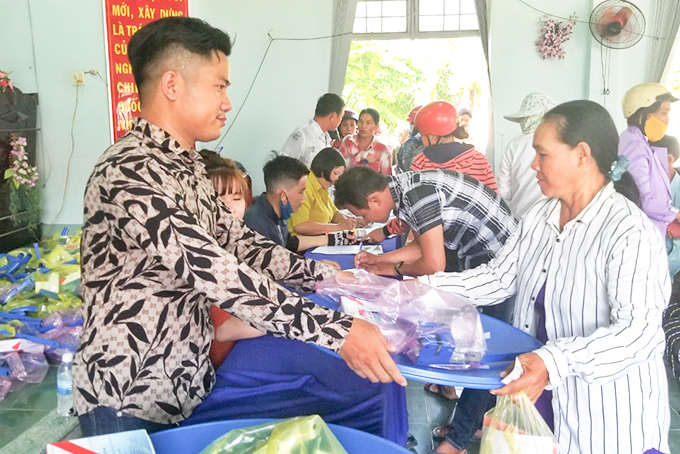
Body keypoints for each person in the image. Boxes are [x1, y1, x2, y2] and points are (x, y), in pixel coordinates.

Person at [74, 16, 405, 437]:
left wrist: (324, 276)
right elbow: (212, 269)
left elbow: (240, 242)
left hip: (183, 380)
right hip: (128, 390)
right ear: (172, 85)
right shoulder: (130, 170)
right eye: (219, 86)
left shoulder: (186, 166)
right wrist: (336, 331)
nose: (227, 102)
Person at [420, 100, 669, 454]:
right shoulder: (540, 217)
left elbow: (638, 332)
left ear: (581, 155)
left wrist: (554, 361)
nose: (533, 164)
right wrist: (422, 288)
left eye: (542, 154)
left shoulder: (628, 231)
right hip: (541, 400)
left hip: (606, 417)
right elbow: (498, 278)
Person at [334, 167, 516, 277]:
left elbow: (434, 265)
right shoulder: (403, 187)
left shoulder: (417, 197)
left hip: (498, 257)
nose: (366, 221)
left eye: (363, 215)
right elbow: (423, 247)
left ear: (374, 200)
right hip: (484, 251)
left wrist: (394, 269)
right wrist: (379, 260)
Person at [244, 154, 355, 252]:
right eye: (301, 192)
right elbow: (274, 261)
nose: (304, 196)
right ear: (283, 195)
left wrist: (331, 239)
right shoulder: (255, 221)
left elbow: (289, 243)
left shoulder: (279, 213)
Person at [619, 82, 678, 237]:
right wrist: (675, 214)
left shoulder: (639, 142)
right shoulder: (634, 145)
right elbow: (642, 199)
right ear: (642, 115)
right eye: (664, 113)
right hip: (639, 235)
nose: (667, 120)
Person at [409, 101, 497, 191]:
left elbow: (410, 197)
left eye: (422, 135)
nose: (422, 140)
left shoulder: (421, 163)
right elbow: (493, 197)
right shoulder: (480, 160)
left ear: (432, 136)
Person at [497, 93, 556, 219]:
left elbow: (503, 191)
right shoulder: (561, 144)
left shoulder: (513, 145)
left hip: (518, 218)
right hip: (552, 219)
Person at [288, 147, 359, 236]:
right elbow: (300, 225)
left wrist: (351, 221)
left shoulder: (323, 187)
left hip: (320, 239)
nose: (337, 179)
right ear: (324, 169)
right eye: (335, 173)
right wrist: (338, 227)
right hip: (302, 242)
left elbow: (334, 214)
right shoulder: (306, 186)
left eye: (339, 176)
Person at [280, 93, 345, 166]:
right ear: (333, 116)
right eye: (341, 117)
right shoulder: (301, 135)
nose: (340, 121)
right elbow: (282, 166)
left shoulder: (328, 139)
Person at [339, 108, 392, 175]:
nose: (363, 126)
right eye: (361, 122)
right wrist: (362, 155)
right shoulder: (348, 141)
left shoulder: (383, 150)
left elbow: (386, 177)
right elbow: (339, 165)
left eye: (368, 123)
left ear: (376, 126)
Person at [396, 105, 423, 173]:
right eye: (411, 123)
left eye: (415, 123)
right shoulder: (405, 145)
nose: (413, 126)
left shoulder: (434, 147)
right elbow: (399, 168)